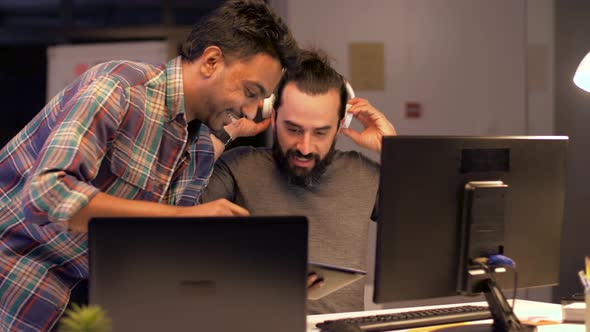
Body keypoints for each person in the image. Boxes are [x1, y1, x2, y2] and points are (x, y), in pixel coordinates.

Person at [0, 0, 298, 330]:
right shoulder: (119, 88)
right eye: (250, 92)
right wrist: (185, 218)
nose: (251, 109)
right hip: (17, 286)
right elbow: (47, 194)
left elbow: (151, 243)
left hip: (86, 305)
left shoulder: (198, 147)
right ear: (211, 61)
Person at [201, 49, 396, 314]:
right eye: (292, 129)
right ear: (273, 117)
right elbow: (172, 219)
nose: (304, 147)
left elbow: (428, 225)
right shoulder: (238, 166)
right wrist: (220, 138)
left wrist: (394, 151)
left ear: (340, 126)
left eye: (320, 132)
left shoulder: (364, 174)